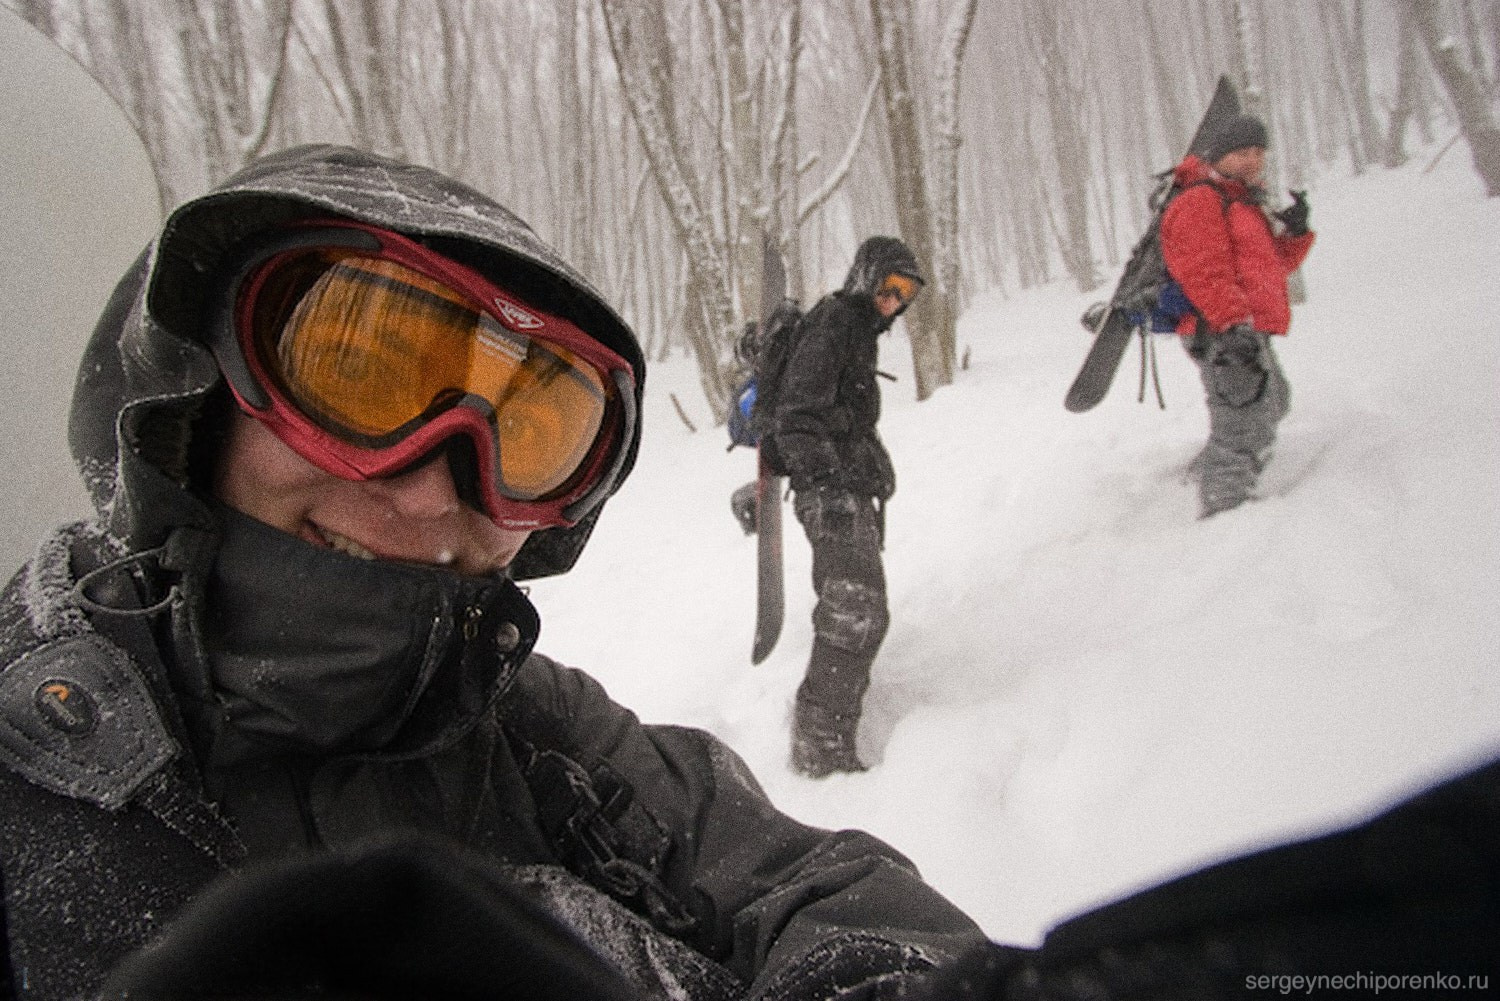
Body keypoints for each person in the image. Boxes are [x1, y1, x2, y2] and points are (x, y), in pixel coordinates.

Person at [0, 145, 983, 1000]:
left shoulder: (521, 721)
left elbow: (815, 890)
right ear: (194, 398)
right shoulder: (26, 780)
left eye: (533, 429)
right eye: (361, 371)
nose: (434, 492)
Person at [762, 237, 923, 778]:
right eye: (890, 288)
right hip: (831, 494)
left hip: (844, 490)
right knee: (854, 613)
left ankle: (827, 737)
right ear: (866, 277)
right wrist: (831, 484)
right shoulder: (835, 323)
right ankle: (820, 749)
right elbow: (797, 416)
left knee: (859, 612)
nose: (895, 302)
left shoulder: (855, 330)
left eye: (907, 294)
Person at [1158, 113, 1315, 518]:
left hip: (1244, 326)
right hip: (1220, 330)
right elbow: (1204, 271)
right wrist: (1231, 325)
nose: (1252, 160)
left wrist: (1296, 235)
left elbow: (1266, 270)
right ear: (1218, 155)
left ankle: (1205, 474)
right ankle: (1225, 512)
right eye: (1242, 152)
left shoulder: (1242, 201)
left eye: (1259, 152)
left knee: (1273, 401)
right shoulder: (1200, 200)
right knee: (1246, 421)